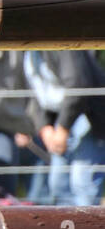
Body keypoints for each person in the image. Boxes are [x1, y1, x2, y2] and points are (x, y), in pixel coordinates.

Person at [23, 49, 105, 208]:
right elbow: (31, 91)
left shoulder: (59, 41)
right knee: (59, 186)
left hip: (88, 119)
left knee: (83, 184)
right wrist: (44, 128)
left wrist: (62, 129)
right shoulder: (26, 49)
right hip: (58, 122)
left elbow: (78, 83)